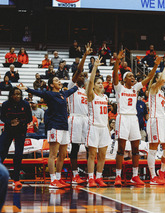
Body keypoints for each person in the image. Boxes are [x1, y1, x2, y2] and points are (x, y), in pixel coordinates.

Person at [18, 76, 78, 189]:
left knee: (63, 155)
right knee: (53, 155)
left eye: (58, 80)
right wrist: (26, 89)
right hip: (54, 127)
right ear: (51, 85)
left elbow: (72, 89)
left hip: (64, 127)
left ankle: (59, 178)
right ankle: (53, 180)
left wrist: (81, 84)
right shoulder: (49, 94)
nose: (59, 81)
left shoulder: (63, 94)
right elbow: (38, 92)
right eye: (56, 80)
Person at [113, 51, 160, 186]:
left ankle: (135, 175)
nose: (133, 77)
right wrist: (117, 61)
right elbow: (115, 75)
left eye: (133, 75)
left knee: (135, 149)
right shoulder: (119, 88)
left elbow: (150, 76)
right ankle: (118, 176)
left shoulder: (135, 88)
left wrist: (156, 66)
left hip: (133, 119)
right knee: (121, 149)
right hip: (122, 118)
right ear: (124, 79)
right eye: (130, 76)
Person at [67, 43, 92, 186]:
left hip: (86, 119)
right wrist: (85, 56)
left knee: (89, 147)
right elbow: (79, 69)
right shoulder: (72, 86)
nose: (83, 77)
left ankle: (90, 175)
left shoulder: (86, 91)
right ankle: (75, 175)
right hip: (75, 118)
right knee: (75, 148)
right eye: (81, 75)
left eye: (85, 76)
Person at [86, 57, 111, 187]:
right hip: (93, 127)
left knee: (102, 155)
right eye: (98, 83)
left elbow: (106, 115)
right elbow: (90, 82)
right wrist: (95, 67)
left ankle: (99, 177)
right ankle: (90, 178)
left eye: (102, 83)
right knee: (92, 154)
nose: (101, 85)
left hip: (103, 128)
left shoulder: (105, 97)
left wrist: (108, 128)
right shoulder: (91, 95)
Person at [0, 87, 32, 190]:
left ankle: (16, 179)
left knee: (18, 154)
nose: (17, 96)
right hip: (8, 130)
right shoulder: (5, 104)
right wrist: (10, 122)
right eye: (15, 94)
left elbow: (29, 118)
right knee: (2, 152)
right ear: (11, 95)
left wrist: (20, 122)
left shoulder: (25, 104)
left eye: (19, 94)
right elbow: (2, 117)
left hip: (21, 131)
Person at [146, 63, 165, 185]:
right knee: (153, 149)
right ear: (156, 79)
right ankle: (152, 176)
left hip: (162, 120)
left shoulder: (161, 92)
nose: (163, 79)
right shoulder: (153, 88)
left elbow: (162, 109)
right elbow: (162, 79)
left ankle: (161, 172)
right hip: (154, 120)